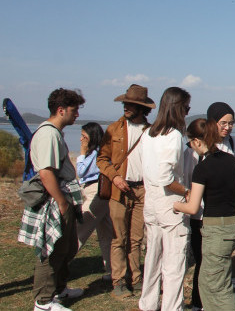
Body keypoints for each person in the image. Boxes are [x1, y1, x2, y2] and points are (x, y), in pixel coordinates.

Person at [18, 88, 86, 311]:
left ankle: (59, 289)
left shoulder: (54, 133)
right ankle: (44, 301)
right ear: (61, 110)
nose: (76, 115)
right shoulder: (48, 134)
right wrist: (61, 202)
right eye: (74, 110)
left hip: (60, 197)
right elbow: (46, 172)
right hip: (54, 200)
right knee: (51, 250)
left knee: (64, 247)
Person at [174, 118, 235, 311]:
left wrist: (175, 205)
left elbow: (192, 207)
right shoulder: (231, 160)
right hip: (233, 224)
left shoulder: (202, 168)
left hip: (215, 230)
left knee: (218, 286)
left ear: (198, 141)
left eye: (191, 143)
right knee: (208, 283)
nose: (191, 148)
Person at [95, 84, 154, 298]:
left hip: (142, 190)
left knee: (136, 238)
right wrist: (115, 177)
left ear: (142, 108)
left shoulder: (151, 132)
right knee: (118, 237)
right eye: (125, 103)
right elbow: (101, 159)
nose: (126, 107)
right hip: (119, 190)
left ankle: (136, 278)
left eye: (131, 104)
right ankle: (118, 281)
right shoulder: (113, 129)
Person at [138, 87, 192, 311]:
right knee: (174, 263)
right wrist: (187, 192)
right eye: (187, 108)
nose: (188, 112)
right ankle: (172, 307)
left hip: (151, 202)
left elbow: (147, 170)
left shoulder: (148, 134)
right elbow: (166, 177)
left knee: (152, 258)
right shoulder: (174, 137)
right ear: (178, 108)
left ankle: (148, 303)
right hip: (170, 205)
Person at [185, 101, 235, 310]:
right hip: (201, 213)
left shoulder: (231, 144)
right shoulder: (194, 149)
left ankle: (211, 302)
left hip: (224, 214)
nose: (227, 127)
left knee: (216, 265)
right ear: (211, 123)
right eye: (223, 123)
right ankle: (199, 303)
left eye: (231, 123)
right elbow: (191, 177)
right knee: (204, 262)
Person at [75, 122, 113, 280]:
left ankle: (59, 265)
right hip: (99, 192)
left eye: (84, 137)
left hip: (96, 192)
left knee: (80, 229)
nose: (81, 140)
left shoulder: (96, 154)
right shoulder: (99, 152)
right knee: (107, 233)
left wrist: (82, 152)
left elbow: (81, 171)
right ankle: (113, 270)